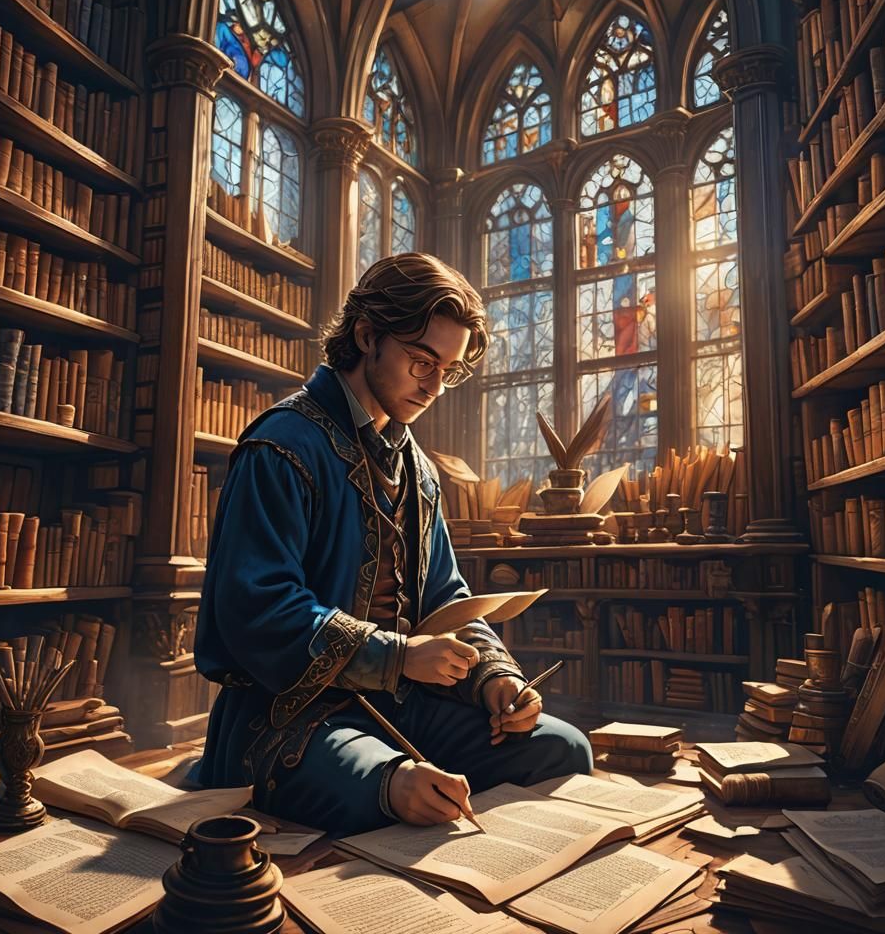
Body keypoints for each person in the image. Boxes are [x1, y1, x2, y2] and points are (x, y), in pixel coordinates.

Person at [195, 253, 592, 835]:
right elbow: (256, 609)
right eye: (421, 360)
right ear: (366, 335)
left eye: (448, 371)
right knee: (391, 791)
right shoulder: (281, 448)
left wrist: (495, 678)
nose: (434, 387)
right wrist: (399, 654)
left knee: (563, 750)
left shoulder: (419, 471)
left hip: (404, 707)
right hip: (290, 715)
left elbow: (445, 598)